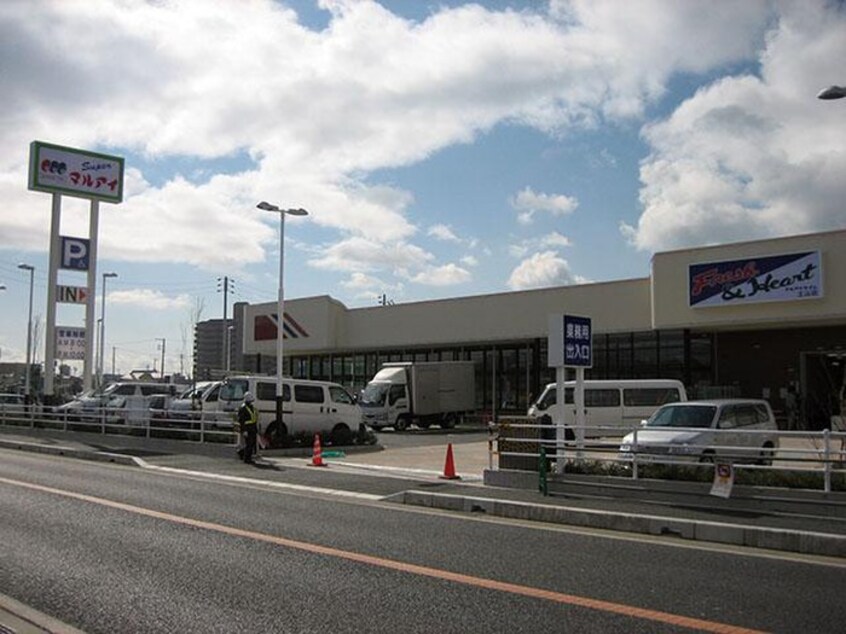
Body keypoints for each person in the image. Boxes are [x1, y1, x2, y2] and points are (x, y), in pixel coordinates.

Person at [237, 392, 259, 464]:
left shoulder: (252, 408)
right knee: (248, 444)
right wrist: (244, 430)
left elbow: (254, 418)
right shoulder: (243, 408)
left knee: (252, 444)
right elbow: (241, 420)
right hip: (248, 428)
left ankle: (244, 455)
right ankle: (246, 458)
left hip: (252, 428)